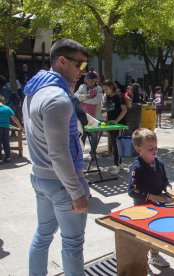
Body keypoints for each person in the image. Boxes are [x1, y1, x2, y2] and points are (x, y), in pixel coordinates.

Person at [23, 39, 90, 275]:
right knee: (72, 243)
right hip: (62, 183)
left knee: (42, 234)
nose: (83, 73)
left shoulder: (33, 90)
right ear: (62, 60)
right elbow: (59, 153)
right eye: (80, 65)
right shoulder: (57, 99)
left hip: (40, 177)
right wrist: (77, 192)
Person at [127, 128, 174, 275]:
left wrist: (168, 189)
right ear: (139, 149)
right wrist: (150, 196)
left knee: (156, 234)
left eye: (156, 147)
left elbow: (164, 181)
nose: (155, 150)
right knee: (144, 238)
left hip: (158, 206)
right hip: (144, 208)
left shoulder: (159, 162)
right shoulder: (137, 167)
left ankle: (154, 256)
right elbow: (132, 190)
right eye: (150, 148)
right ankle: (142, 262)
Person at [102, 79, 128, 175]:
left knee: (117, 145)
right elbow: (108, 111)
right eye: (104, 89)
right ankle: (119, 163)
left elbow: (124, 110)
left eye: (106, 89)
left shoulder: (118, 96)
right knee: (114, 143)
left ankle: (116, 165)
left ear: (111, 87)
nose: (105, 91)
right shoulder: (109, 97)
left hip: (119, 124)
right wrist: (107, 123)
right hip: (111, 124)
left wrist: (116, 121)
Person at [75, 71, 104, 154]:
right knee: (82, 135)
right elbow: (76, 96)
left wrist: (84, 100)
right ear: (85, 80)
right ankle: (80, 152)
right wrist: (87, 96)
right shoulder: (82, 87)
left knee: (94, 135)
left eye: (92, 80)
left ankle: (93, 151)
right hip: (83, 115)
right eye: (89, 80)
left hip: (94, 116)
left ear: (95, 80)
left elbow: (97, 100)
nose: (90, 82)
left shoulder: (98, 88)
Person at [0, 95, 24, 163]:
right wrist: (20, 127)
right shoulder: (7, 108)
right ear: (4, 101)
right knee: (6, 143)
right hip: (6, 127)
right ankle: (8, 157)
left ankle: (0, 159)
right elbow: (14, 119)